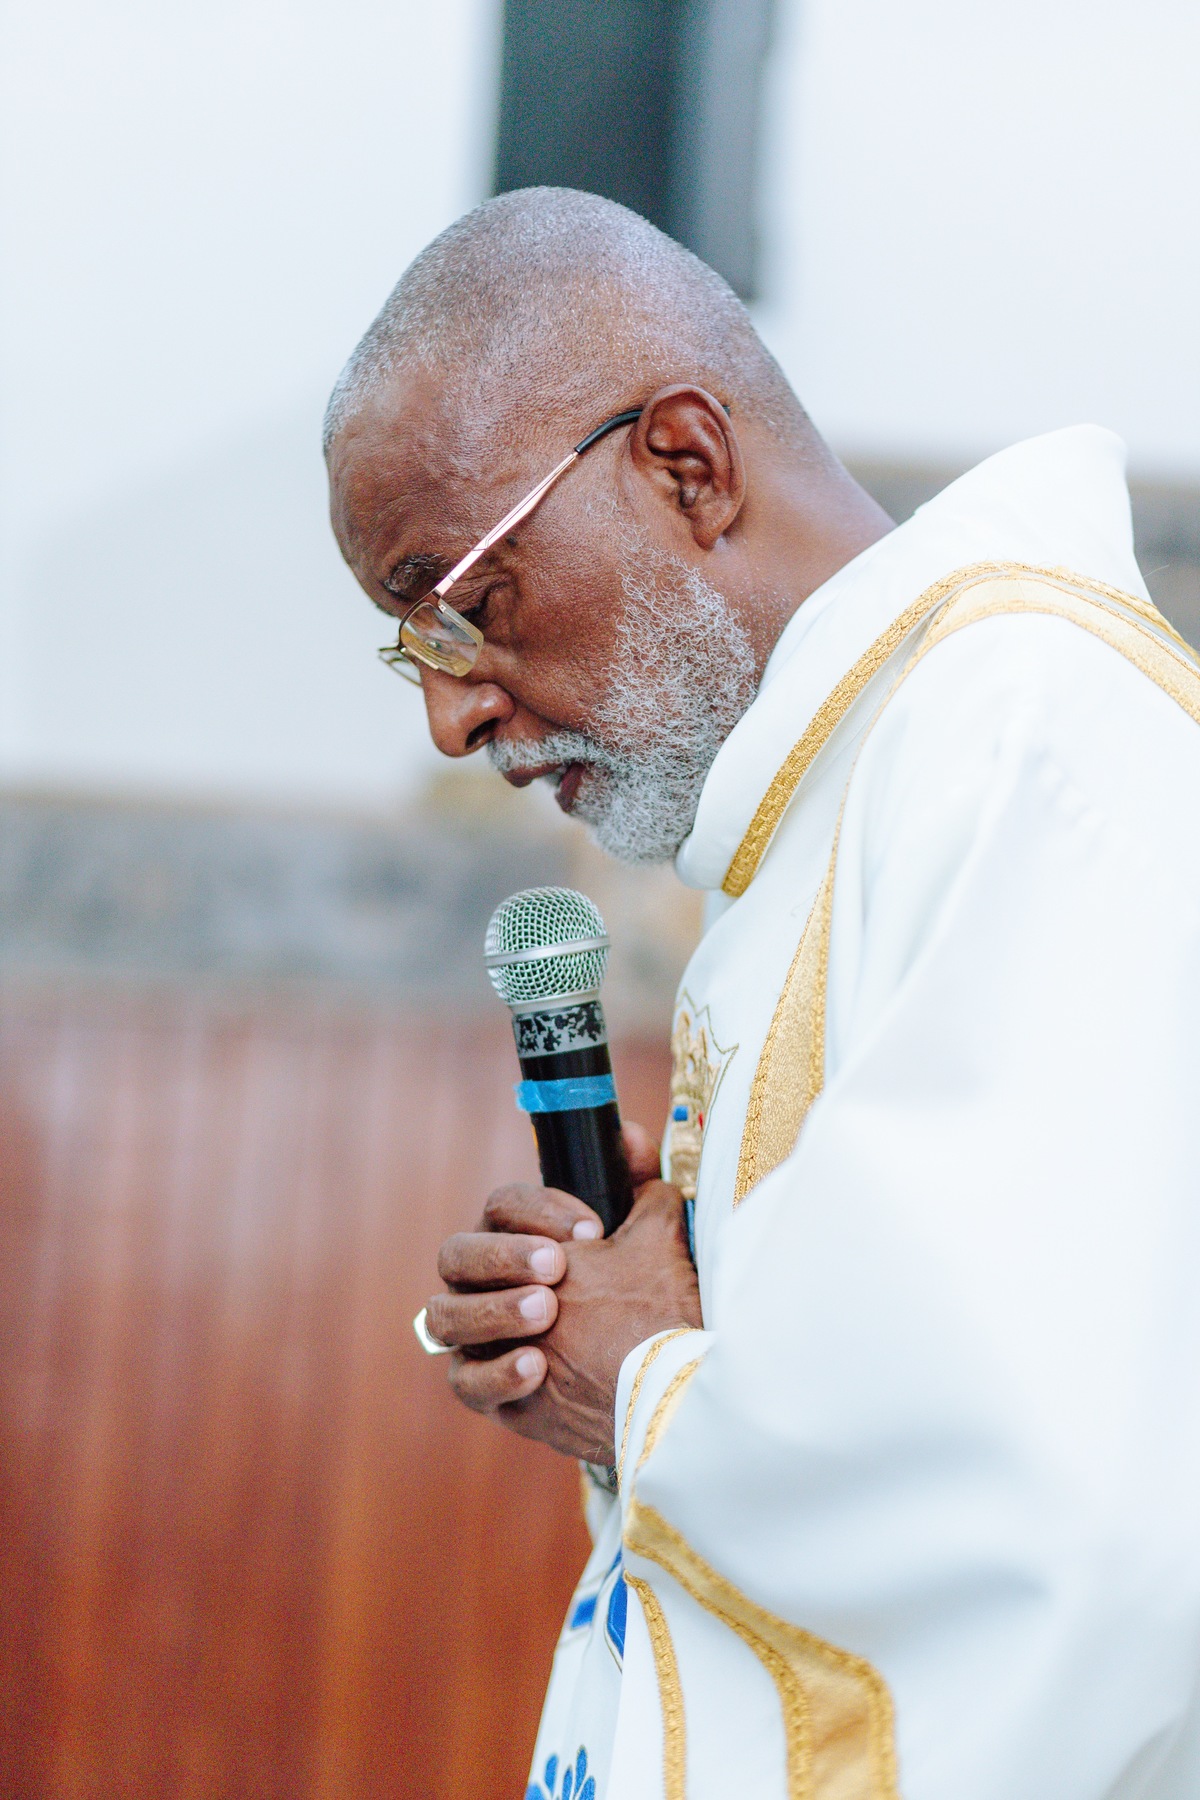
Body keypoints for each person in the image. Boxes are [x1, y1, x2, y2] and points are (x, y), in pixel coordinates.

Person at [324, 188, 1200, 1800]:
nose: (451, 719)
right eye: (413, 647)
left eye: (468, 605)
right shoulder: (852, 784)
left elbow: (1082, 1522)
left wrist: (646, 1385)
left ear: (685, 463)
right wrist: (655, 1317)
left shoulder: (1025, 739)